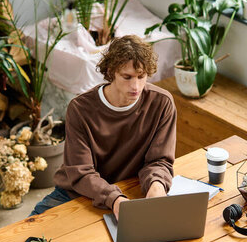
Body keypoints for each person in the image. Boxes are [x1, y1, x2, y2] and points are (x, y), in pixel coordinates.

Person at [30, 35, 176, 218]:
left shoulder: (161, 104)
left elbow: (160, 160)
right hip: (77, 191)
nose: (136, 86)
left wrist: (157, 187)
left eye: (141, 76)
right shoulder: (80, 109)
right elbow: (81, 173)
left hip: (130, 188)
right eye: (127, 77)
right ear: (111, 71)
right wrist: (114, 199)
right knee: (29, 235)